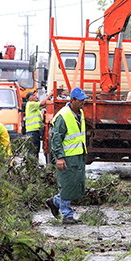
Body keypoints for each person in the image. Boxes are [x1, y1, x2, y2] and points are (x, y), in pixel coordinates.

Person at [45, 87, 88, 225]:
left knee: (75, 185)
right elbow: (56, 139)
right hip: (67, 157)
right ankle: (67, 215)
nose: (83, 103)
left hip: (78, 155)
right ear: (73, 100)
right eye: (81, 100)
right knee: (67, 185)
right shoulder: (63, 116)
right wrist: (60, 157)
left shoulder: (79, 113)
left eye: (84, 100)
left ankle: (55, 201)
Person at [23, 89, 49, 162]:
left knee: (35, 150)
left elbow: (43, 105)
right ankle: (31, 166)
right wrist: (50, 95)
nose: (35, 96)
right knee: (33, 150)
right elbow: (42, 103)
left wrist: (49, 100)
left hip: (34, 131)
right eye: (33, 95)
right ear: (29, 98)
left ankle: (33, 166)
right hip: (32, 132)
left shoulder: (33, 106)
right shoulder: (30, 104)